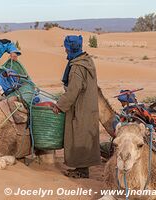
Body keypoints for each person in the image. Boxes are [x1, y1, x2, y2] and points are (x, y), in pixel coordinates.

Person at [52, 35, 101, 178]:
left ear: (69, 48)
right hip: (89, 106)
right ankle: (82, 169)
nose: (65, 50)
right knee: (84, 136)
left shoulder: (77, 67)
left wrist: (59, 106)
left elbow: (73, 91)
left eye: (66, 47)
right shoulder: (87, 61)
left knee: (78, 136)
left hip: (80, 108)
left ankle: (82, 171)